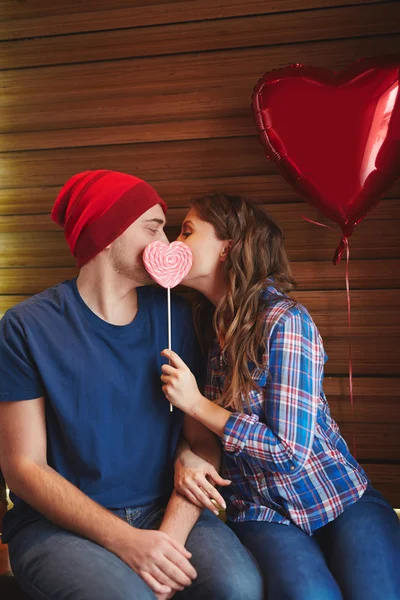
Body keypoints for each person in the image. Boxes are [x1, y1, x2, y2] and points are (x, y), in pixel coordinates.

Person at [0, 173, 263, 600]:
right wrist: (127, 542)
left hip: (163, 508)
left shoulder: (179, 318)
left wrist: (168, 542)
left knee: (239, 587)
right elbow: (23, 468)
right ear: (107, 234)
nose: (168, 243)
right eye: (153, 227)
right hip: (58, 527)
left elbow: (201, 440)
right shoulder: (26, 328)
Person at [160, 193, 400, 600]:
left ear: (227, 247)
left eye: (186, 231)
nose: (173, 244)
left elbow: (291, 453)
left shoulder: (285, 322)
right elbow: (186, 426)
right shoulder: (193, 327)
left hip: (336, 495)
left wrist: (198, 403)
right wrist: (185, 454)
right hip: (261, 510)